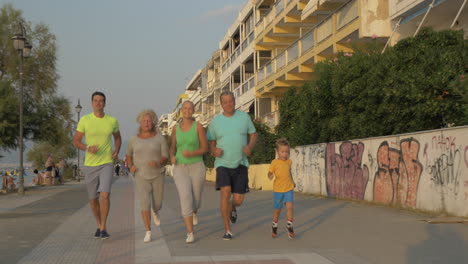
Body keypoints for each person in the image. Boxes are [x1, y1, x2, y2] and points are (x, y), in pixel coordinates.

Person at [207, 91, 257, 240]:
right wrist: (213, 151)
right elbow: (211, 142)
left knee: (239, 200)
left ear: (234, 102)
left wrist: (250, 146)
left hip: (241, 163)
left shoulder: (244, 117)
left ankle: (232, 206)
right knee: (225, 192)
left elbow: (254, 134)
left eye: (231, 101)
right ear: (221, 104)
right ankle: (227, 230)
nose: (229, 104)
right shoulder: (215, 122)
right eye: (226, 102)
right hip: (222, 163)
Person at [73, 91, 121, 240]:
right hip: (90, 164)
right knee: (93, 199)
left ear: (105, 103)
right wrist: (88, 148)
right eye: (96, 101)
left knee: (104, 195)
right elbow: (76, 141)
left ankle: (103, 227)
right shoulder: (85, 120)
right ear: (92, 103)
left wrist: (116, 151)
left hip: (106, 162)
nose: (98, 103)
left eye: (101, 101)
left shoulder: (112, 121)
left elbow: (118, 138)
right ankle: (99, 223)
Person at [126, 109, 168, 243]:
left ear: (153, 122)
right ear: (140, 122)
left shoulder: (159, 137)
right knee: (144, 203)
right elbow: (128, 155)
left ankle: (156, 211)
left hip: (157, 174)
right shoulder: (133, 140)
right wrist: (130, 166)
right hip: (140, 175)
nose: (146, 123)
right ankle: (148, 231)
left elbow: (165, 156)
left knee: (158, 202)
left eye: (149, 121)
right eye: (144, 121)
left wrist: (158, 162)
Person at [170, 101, 208, 243]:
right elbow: (172, 147)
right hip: (180, 167)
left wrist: (192, 153)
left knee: (196, 200)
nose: (187, 110)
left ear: (193, 110)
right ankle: (190, 232)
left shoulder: (198, 127)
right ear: (181, 110)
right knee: (185, 196)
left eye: (190, 108)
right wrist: (172, 157)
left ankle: (195, 211)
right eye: (185, 108)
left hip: (197, 166)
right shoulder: (175, 128)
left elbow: (205, 148)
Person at [268, 138, 296, 239]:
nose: (285, 154)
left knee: (290, 206)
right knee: (277, 210)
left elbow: (289, 173)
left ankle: (290, 226)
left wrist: (293, 181)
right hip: (278, 190)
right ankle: (274, 226)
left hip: (289, 187)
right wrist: (270, 175)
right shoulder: (274, 162)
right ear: (277, 152)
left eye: (286, 152)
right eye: (282, 152)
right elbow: (270, 172)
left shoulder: (289, 162)